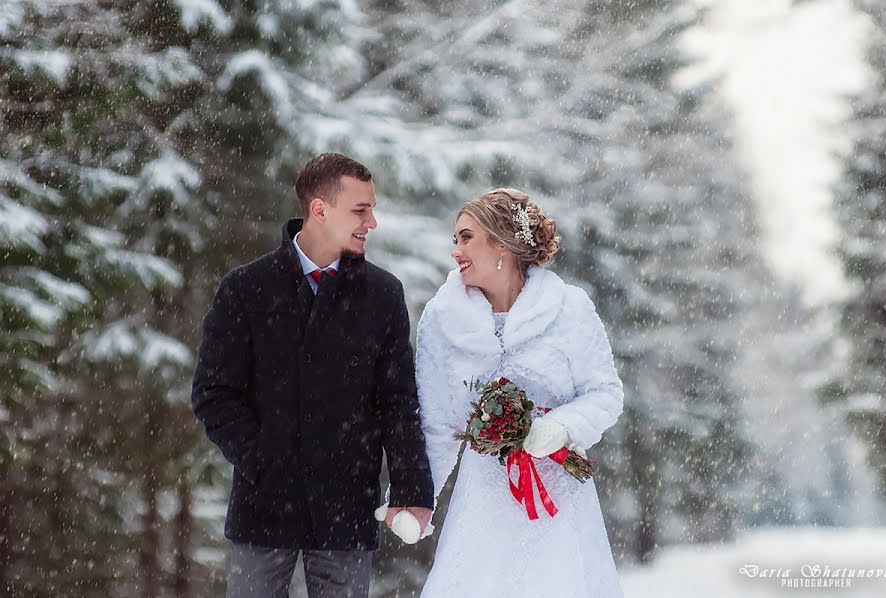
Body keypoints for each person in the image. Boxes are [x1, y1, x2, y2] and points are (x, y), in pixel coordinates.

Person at [191, 153, 433, 598]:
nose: (372, 222)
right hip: (262, 505)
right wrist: (262, 460)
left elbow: (398, 402)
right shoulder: (246, 288)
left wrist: (411, 487)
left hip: (346, 506)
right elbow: (214, 393)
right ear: (319, 209)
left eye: (372, 209)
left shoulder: (383, 295)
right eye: (361, 210)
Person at [416, 188, 625, 597]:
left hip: (558, 498)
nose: (456, 250)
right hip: (481, 506)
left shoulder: (569, 309)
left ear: (502, 242)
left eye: (466, 237)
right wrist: (415, 500)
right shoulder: (442, 320)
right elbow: (438, 426)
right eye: (455, 240)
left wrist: (560, 427)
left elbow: (605, 394)